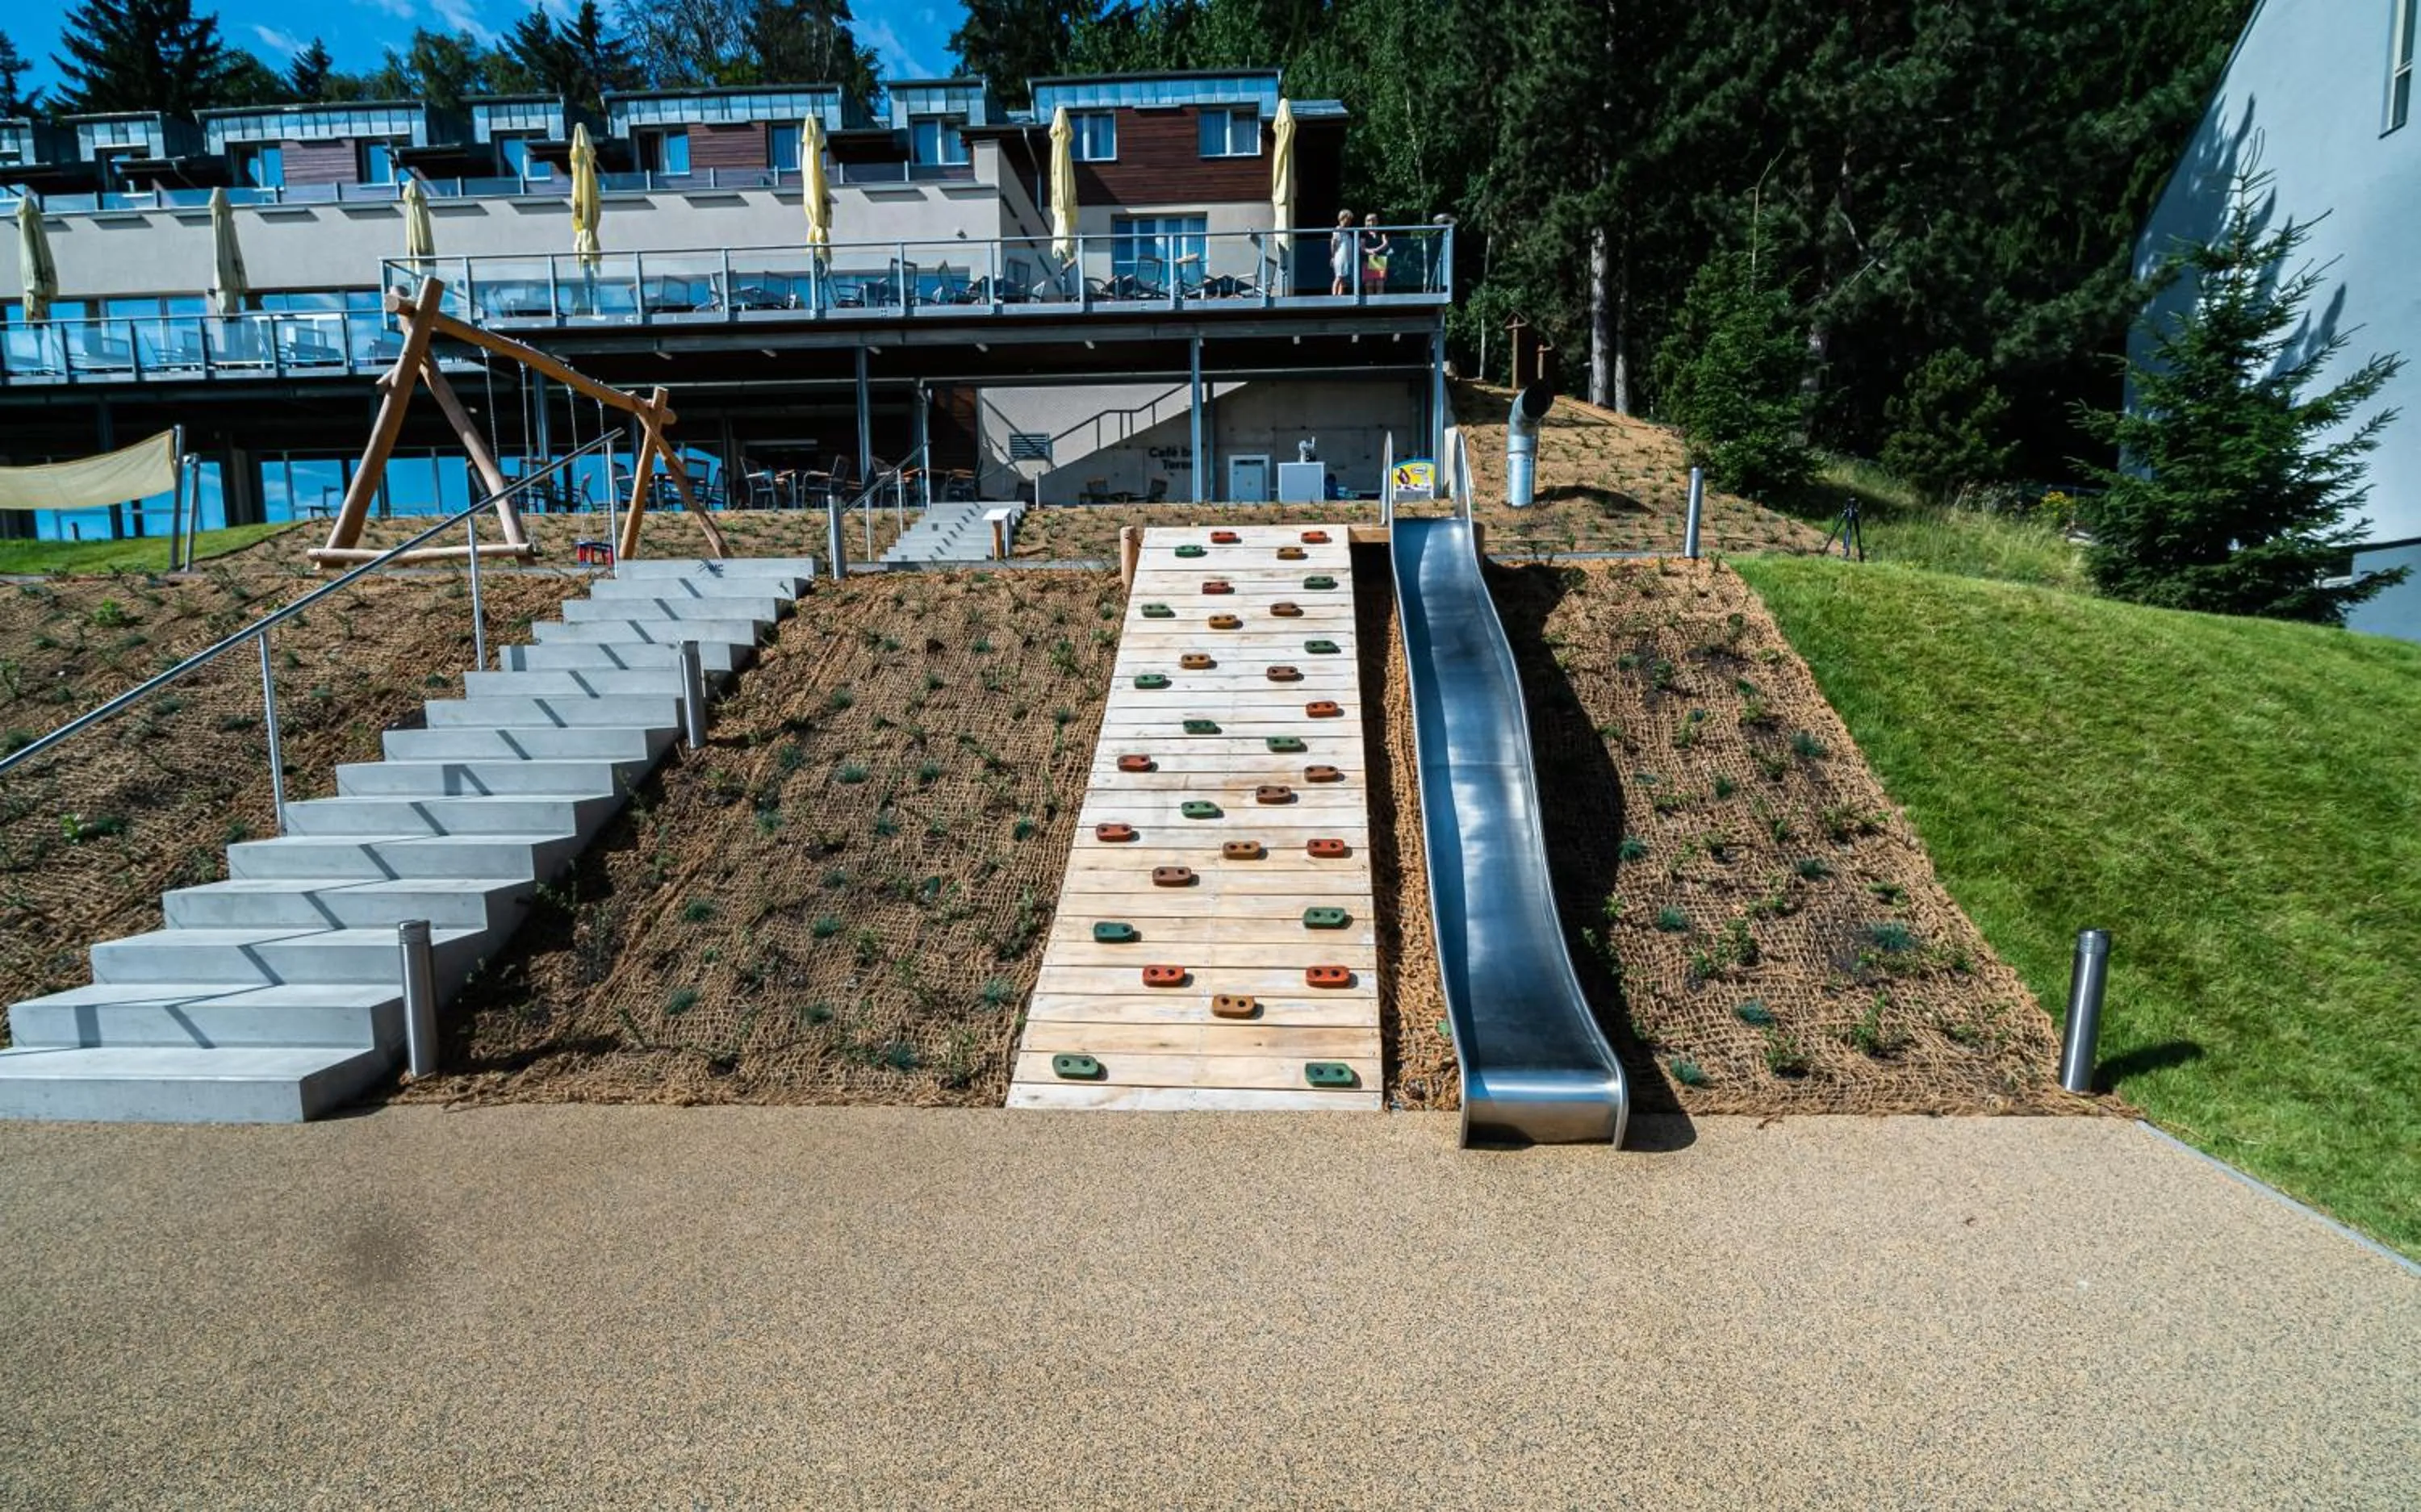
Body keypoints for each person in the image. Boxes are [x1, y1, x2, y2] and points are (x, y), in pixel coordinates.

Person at [1360, 214, 1391, 297]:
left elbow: (1386, 243)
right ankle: (1370, 308)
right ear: (1366, 222)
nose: (1371, 222)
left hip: (1379, 259)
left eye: (1373, 220)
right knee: (1369, 285)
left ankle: (1379, 306)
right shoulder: (1364, 233)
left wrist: (1376, 250)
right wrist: (1370, 251)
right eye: (1369, 220)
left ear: (1377, 221)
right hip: (1367, 260)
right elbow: (1362, 248)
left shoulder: (1381, 231)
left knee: (1379, 285)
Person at [1329, 211, 1357, 296]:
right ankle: (1334, 295)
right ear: (1342, 219)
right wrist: (1333, 257)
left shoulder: (1347, 233)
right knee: (1339, 276)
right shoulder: (1338, 230)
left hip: (1346, 258)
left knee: (1343, 278)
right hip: (1340, 258)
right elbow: (1333, 243)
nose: (1349, 222)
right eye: (1347, 219)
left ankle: (1340, 294)